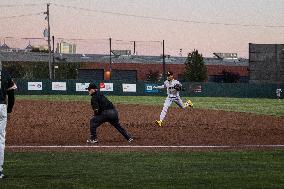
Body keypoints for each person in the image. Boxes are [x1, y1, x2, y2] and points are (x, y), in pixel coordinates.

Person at [0, 68, 16, 179]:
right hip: (1, 107)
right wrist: (9, 109)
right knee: (0, 140)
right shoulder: (5, 73)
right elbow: (11, 95)